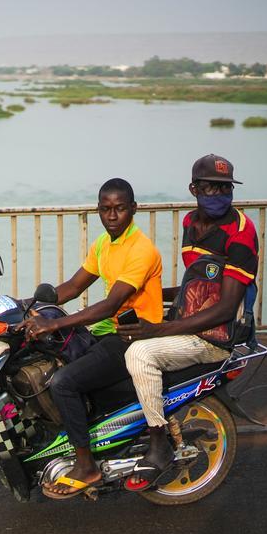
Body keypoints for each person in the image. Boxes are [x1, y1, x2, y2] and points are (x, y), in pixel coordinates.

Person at [117, 153, 259, 484]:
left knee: (139, 352)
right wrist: (136, 292)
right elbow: (195, 283)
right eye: (209, 187)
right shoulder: (189, 224)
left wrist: (159, 329)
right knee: (115, 334)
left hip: (216, 335)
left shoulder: (241, 231)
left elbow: (225, 307)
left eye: (225, 188)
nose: (218, 195)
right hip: (191, 320)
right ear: (194, 188)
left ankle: (158, 442)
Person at [22, 178, 163, 499]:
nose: (112, 215)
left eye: (120, 209)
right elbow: (72, 288)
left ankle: (86, 466)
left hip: (133, 336)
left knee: (63, 382)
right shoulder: (103, 244)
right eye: (105, 209)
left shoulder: (141, 249)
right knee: (48, 360)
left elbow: (111, 304)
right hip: (107, 332)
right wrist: (25, 305)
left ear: (133, 209)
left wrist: (53, 325)